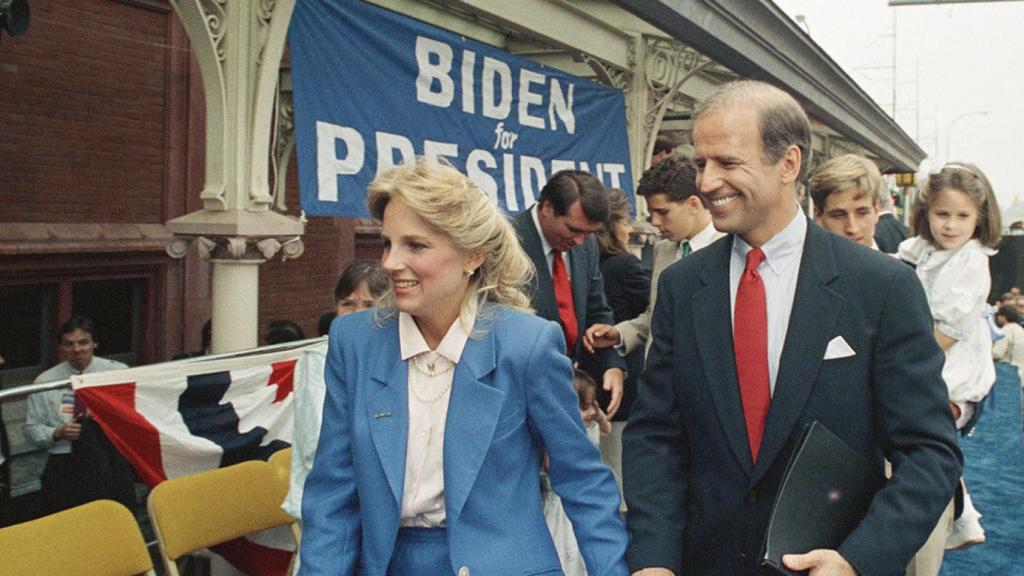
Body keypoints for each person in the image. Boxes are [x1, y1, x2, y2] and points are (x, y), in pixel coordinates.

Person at [623, 80, 961, 576]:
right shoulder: (681, 286)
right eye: (701, 164)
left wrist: (856, 560)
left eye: (728, 163)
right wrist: (653, 560)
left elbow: (929, 452)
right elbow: (656, 436)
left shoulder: (882, 287)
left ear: (789, 164)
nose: (707, 182)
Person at [299, 158, 627, 575]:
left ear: (473, 255)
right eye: (387, 243)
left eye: (415, 246)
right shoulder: (355, 342)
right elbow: (332, 496)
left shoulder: (525, 345)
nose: (390, 263)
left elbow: (582, 481)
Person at [898, 162, 1003, 553]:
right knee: (927, 440)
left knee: (930, 437)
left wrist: (902, 353)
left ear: (980, 218)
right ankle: (961, 514)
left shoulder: (972, 262)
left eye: (963, 216)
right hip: (927, 353)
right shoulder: (921, 250)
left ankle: (960, 515)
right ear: (926, 213)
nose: (951, 226)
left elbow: (947, 333)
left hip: (952, 365)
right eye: (943, 214)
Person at [510, 170, 627, 418]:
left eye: (589, 233)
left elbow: (597, 311)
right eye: (573, 230)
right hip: (520, 396)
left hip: (571, 394)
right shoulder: (507, 243)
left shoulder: (586, 246)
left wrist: (611, 364)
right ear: (547, 207)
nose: (580, 241)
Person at [585, 153, 723, 357]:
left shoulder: (729, 249)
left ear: (693, 204)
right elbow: (657, 315)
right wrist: (621, 333)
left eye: (663, 212)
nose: (655, 222)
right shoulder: (663, 249)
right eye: (651, 213)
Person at [283, 259, 389, 521]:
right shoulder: (318, 359)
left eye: (369, 305)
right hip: (330, 504)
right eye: (347, 304)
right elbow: (315, 444)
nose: (356, 314)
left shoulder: (395, 356)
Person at [23, 316, 136, 516]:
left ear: (95, 343)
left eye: (83, 342)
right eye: (69, 344)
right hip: (65, 460)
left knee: (115, 517)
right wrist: (57, 432)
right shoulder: (45, 381)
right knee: (66, 519)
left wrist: (105, 416)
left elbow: (135, 416)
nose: (77, 350)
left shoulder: (117, 372)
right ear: (61, 347)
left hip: (110, 457)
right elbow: (31, 429)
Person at [588, 188, 651, 507]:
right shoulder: (626, 266)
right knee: (622, 475)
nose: (629, 230)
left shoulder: (586, 263)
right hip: (627, 386)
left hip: (595, 382)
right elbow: (657, 312)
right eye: (625, 222)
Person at [543, 368, 612, 576]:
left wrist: (597, 414)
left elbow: (607, 428)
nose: (590, 413)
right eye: (584, 407)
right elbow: (549, 467)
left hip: (587, 499)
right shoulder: (558, 437)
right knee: (563, 550)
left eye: (592, 405)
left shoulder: (590, 426)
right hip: (560, 507)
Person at [809, 153, 883, 248]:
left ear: (876, 211)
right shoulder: (802, 262)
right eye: (839, 215)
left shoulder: (897, 262)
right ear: (818, 215)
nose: (852, 228)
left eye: (862, 213)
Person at [993, 305, 1024, 385]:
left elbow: (997, 353)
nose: (997, 318)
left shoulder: (1006, 330)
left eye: (999, 315)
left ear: (1004, 316)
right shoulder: (1020, 329)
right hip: (1021, 373)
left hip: (1009, 373)